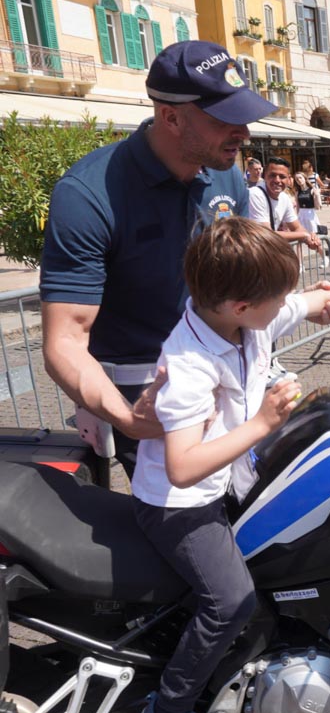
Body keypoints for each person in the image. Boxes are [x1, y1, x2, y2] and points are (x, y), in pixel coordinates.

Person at [131, 218, 330, 713]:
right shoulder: (190, 364)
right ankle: (167, 712)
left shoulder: (241, 320)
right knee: (231, 600)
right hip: (178, 505)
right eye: (278, 298)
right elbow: (182, 466)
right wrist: (263, 423)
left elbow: (323, 299)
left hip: (227, 480)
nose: (287, 304)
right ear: (241, 305)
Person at [40, 41, 274, 478]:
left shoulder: (228, 175)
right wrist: (129, 419)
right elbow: (65, 342)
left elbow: (243, 279)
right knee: (188, 513)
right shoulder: (87, 195)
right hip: (143, 391)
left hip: (226, 371)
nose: (244, 132)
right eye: (225, 119)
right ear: (171, 117)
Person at [250, 158, 323, 254]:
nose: (277, 180)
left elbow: (296, 227)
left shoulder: (284, 198)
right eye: (272, 175)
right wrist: (304, 236)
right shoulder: (255, 194)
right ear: (264, 176)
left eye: (282, 176)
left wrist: (311, 238)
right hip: (250, 254)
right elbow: (265, 233)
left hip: (265, 253)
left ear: (288, 179)